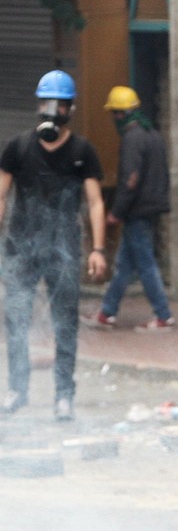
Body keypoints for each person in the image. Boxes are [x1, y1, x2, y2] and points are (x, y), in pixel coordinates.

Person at [0, 70, 107, 421]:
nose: (52, 112)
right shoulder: (17, 147)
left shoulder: (82, 151)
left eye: (59, 106)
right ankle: (17, 390)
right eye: (47, 104)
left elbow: (94, 202)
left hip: (63, 251)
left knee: (65, 324)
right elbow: (1, 194)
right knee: (16, 321)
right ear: (38, 105)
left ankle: (64, 396)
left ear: (70, 109)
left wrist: (98, 249)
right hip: (20, 251)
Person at [86, 86, 174, 332]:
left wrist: (117, 211)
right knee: (124, 265)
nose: (113, 118)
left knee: (145, 264)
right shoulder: (153, 134)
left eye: (114, 113)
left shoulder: (132, 139)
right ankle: (107, 312)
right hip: (151, 207)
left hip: (137, 211)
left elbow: (130, 179)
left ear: (120, 114)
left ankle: (163, 315)